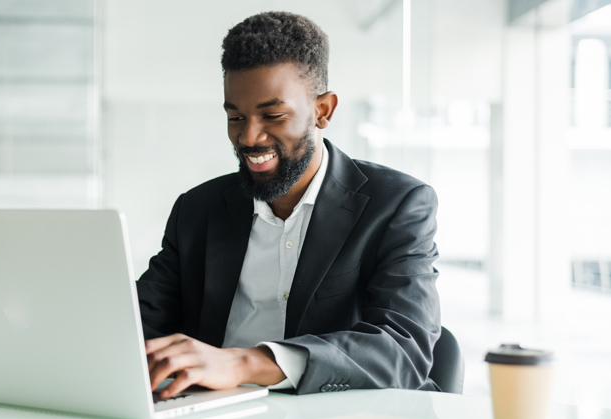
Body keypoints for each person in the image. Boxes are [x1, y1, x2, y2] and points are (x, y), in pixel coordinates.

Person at [138, 11, 441, 399]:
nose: (248, 137)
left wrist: (243, 363)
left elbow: (403, 349)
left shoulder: (397, 205)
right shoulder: (197, 209)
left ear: (323, 110)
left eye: (273, 115)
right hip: (209, 416)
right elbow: (142, 323)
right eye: (235, 116)